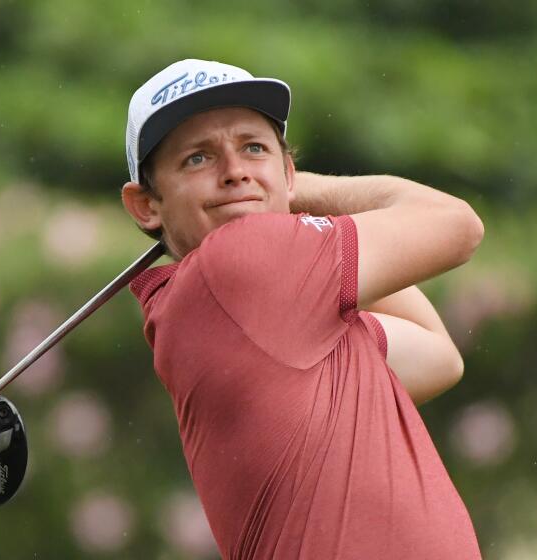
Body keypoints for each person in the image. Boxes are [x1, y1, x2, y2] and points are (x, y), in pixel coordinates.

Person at [120, 59, 484, 559]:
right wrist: (305, 191)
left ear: (285, 170)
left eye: (254, 148)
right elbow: (458, 226)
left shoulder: (270, 312)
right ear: (146, 206)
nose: (235, 172)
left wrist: (291, 201)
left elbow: (439, 356)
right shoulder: (239, 262)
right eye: (198, 159)